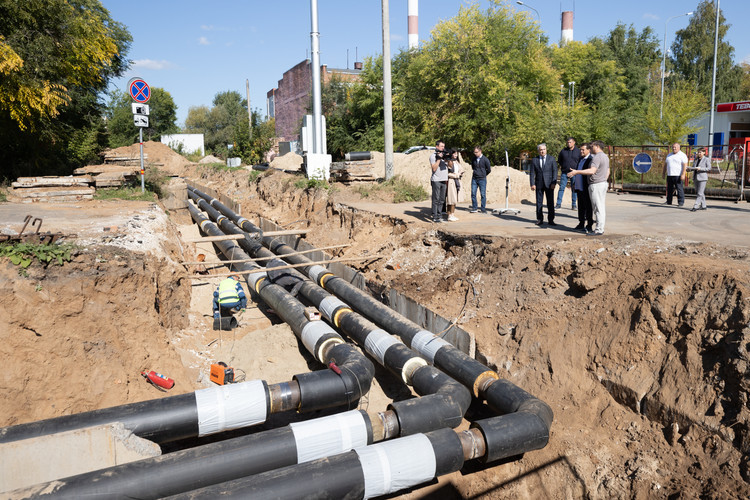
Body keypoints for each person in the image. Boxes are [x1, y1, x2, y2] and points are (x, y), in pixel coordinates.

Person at [569, 140, 609, 235]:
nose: (591, 148)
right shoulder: (605, 157)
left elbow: (592, 171)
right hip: (600, 183)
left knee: (597, 208)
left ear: (597, 146)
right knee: (599, 208)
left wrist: (576, 172)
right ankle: (598, 228)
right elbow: (608, 171)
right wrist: (603, 180)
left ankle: (598, 229)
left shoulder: (596, 157)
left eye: (592, 146)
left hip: (596, 185)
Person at [529, 143, 558, 226]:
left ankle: (551, 220)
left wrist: (554, 182)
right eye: (541, 150)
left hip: (549, 184)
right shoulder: (535, 160)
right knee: (539, 202)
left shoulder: (551, 159)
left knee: (550, 203)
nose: (542, 151)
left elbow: (555, 171)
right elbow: (532, 173)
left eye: (544, 149)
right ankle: (539, 219)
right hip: (539, 184)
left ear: (546, 150)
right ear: (538, 151)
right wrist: (532, 184)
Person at [573, 143, 594, 232]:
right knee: (581, 207)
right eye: (580, 150)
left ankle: (589, 225)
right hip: (579, 187)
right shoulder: (580, 159)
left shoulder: (591, 160)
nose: (581, 151)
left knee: (588, 207)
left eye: (583, 150)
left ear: (588, 150)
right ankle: (581, 223)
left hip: (586, 187)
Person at [556, 137, 580, 210]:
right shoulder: (563, 151)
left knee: (574, 189)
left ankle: (573, 205)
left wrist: (576, 170)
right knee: (561, 188)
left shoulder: (578, 151)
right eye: (568, 142)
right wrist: (563, 166)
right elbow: (559, 160)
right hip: (564, 172)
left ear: (574, 142)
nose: (569, 144)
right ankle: (558, 204)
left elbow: (580, 161)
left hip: (574, 173)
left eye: (570, 142)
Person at [429, 140, 449, 223]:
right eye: (441, 146)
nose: (443, 148)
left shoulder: (444, 155)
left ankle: (439, 215)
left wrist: (448, 158)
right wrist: (439, 159)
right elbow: (434, 168)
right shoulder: (433, 156)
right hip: (436, 180)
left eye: (443, 146)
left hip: (444, 180)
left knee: (442, 199)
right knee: (436, 199)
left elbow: (450, 166)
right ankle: (434, 216)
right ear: (437, 147)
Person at [663, 142, 688, 207]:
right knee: (669, 189)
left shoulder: (682, 155)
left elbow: (685, 165)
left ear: (679, 148)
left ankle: (680, 202)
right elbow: (665, 165)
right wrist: (663, 173)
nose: (674, 148)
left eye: (675, 147)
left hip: (678, 175)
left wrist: (683, 174)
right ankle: (669, 201)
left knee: (679, 189)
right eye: (673, 147)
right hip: (670, 174)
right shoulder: (669, 155)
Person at [470, 146, 491, 213]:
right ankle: (474, 208)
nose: (475, 153)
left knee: (483, 194)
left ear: (480, 151)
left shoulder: (485, 159)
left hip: (482, 179)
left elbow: (489, 169)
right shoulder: (473, 159)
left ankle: (483, 209)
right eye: (474, 152)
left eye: (476, 152)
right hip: (474, 179)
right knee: (473, 193)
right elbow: (473, 167)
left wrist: (483, 174)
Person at [446, 149, 464, 221]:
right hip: (451, 181)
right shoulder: (449, 162)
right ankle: (449, 215)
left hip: (457, 181)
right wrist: (456, 175)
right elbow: (447, 173)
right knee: (451, 199)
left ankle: (452, 214)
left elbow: (461, 169)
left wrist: (461, 172)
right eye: (454, 154)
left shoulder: (456, 162)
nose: (456, 155)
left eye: (457, 154)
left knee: (455, 199)